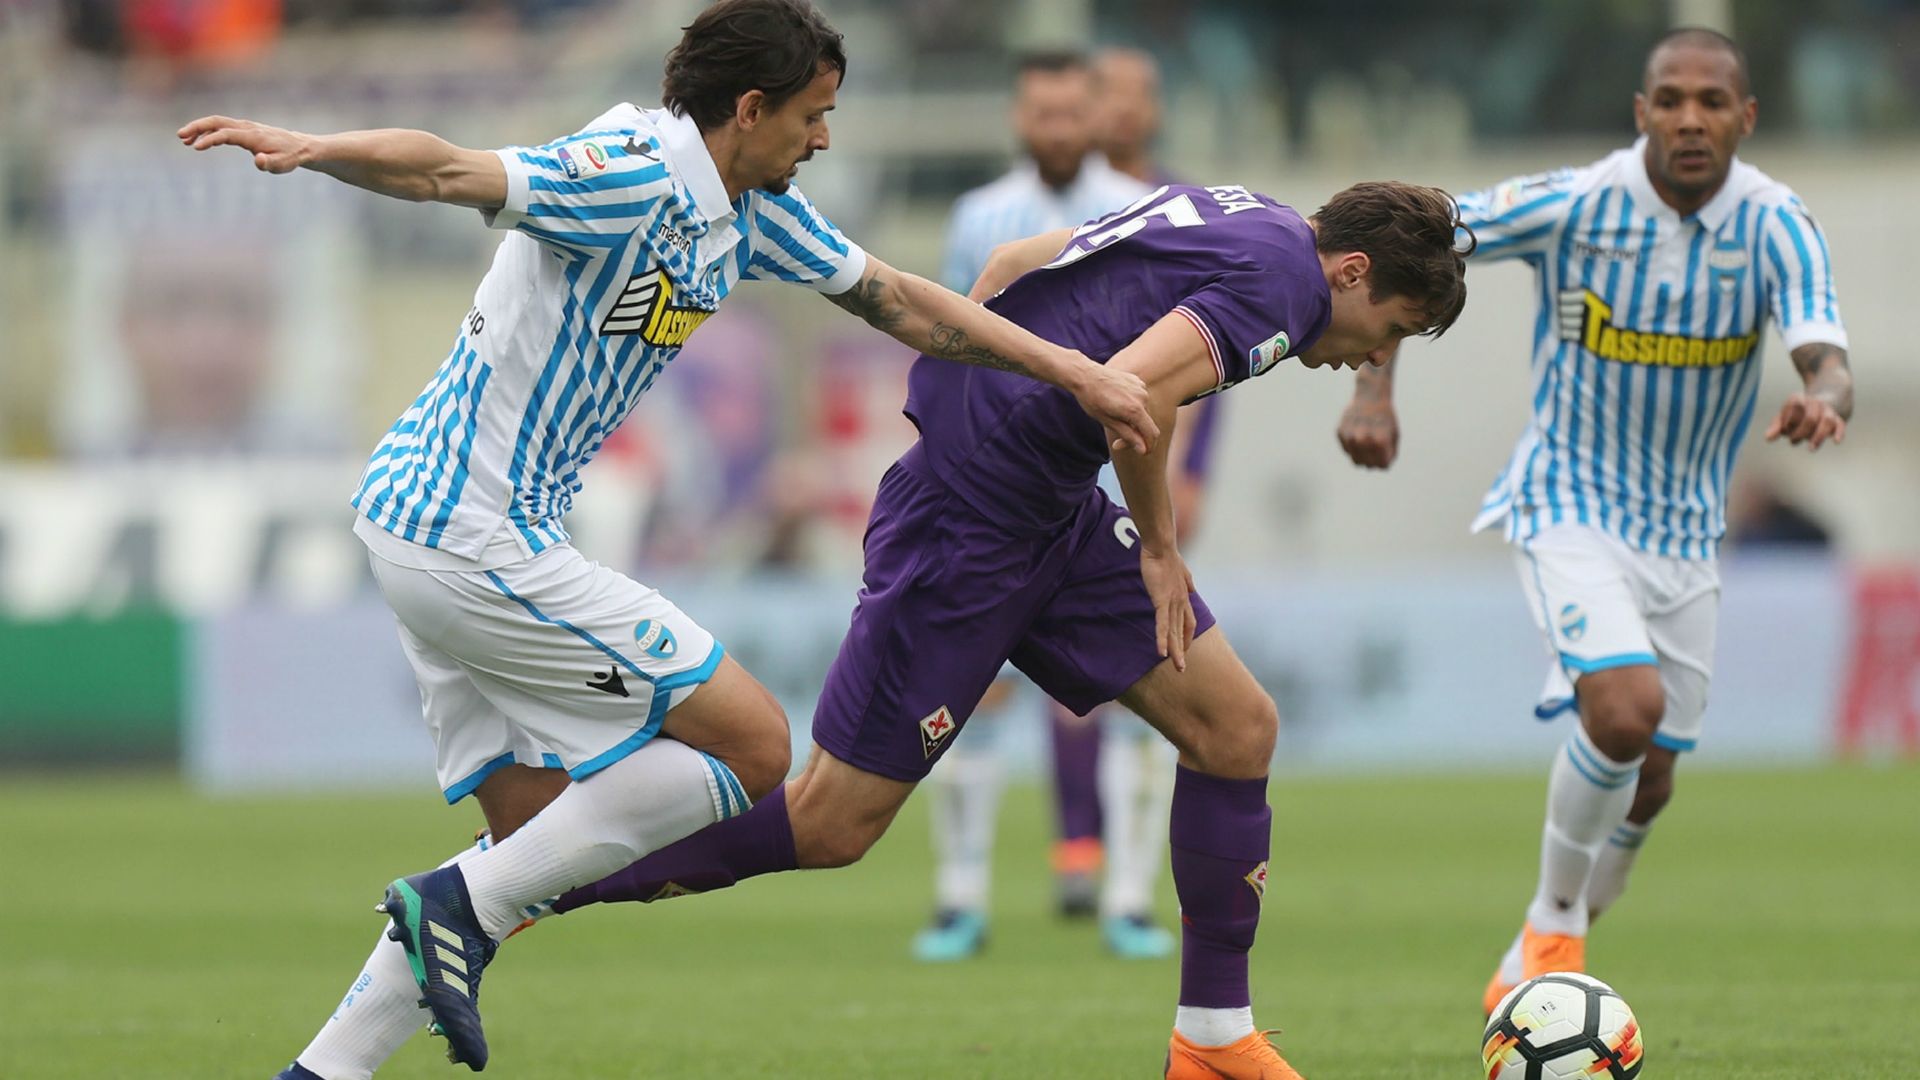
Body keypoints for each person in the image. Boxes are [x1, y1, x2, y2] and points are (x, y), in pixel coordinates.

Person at [182, 2, 1158, 1076]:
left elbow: (898, 300)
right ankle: (449, 907)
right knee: (752, 748)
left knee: (531, 840)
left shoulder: (747, 209)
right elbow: (446, 172)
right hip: (469, 529)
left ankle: (322, 1068)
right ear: (749, 110)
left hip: (435, 525)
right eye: (812, 116)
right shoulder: (628, 172)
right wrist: (317, 150)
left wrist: (1074, 372)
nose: (823, 139)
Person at [559, 179, 1472, 1078]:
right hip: (970, 518)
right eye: (1389, 330)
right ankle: (529, 878)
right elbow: (1133, 401)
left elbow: (1016, 263)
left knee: (1235, 728)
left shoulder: (1248, 213)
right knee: (832, 824)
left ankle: (1214, 1038)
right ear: (1352, 272)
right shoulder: (1287, 286)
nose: (1368, 355)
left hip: (1048, 506)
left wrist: (983, 401)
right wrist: (1157, 547)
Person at [1334, 28, 1852, 1016]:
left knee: (1649, 779)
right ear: (1641, 111)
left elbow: (1825, 348)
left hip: (1689, 535)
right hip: (1567, 500)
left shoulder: (1779, 223)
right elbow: (1413, 248)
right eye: (1670, 99)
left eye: (1711, 101)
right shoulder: (1577, 203)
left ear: (1745, 117)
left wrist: (1827, 394)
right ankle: (1553, 933)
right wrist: (1372, 387)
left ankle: (1544, 945)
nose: (1689, 118)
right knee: (1622, 711)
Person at [909, 47, 1158, 963]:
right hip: (991, 485)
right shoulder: (982, 216)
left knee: (1147, 689)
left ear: (1097, 115)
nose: (1054, 128)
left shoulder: (1137, 209)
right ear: (1020, 119)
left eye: (1069, 113)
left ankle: (1129, 899)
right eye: (1039, 114)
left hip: (1104, 478)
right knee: (973, 691)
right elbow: (940, 335)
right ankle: (959, 899)